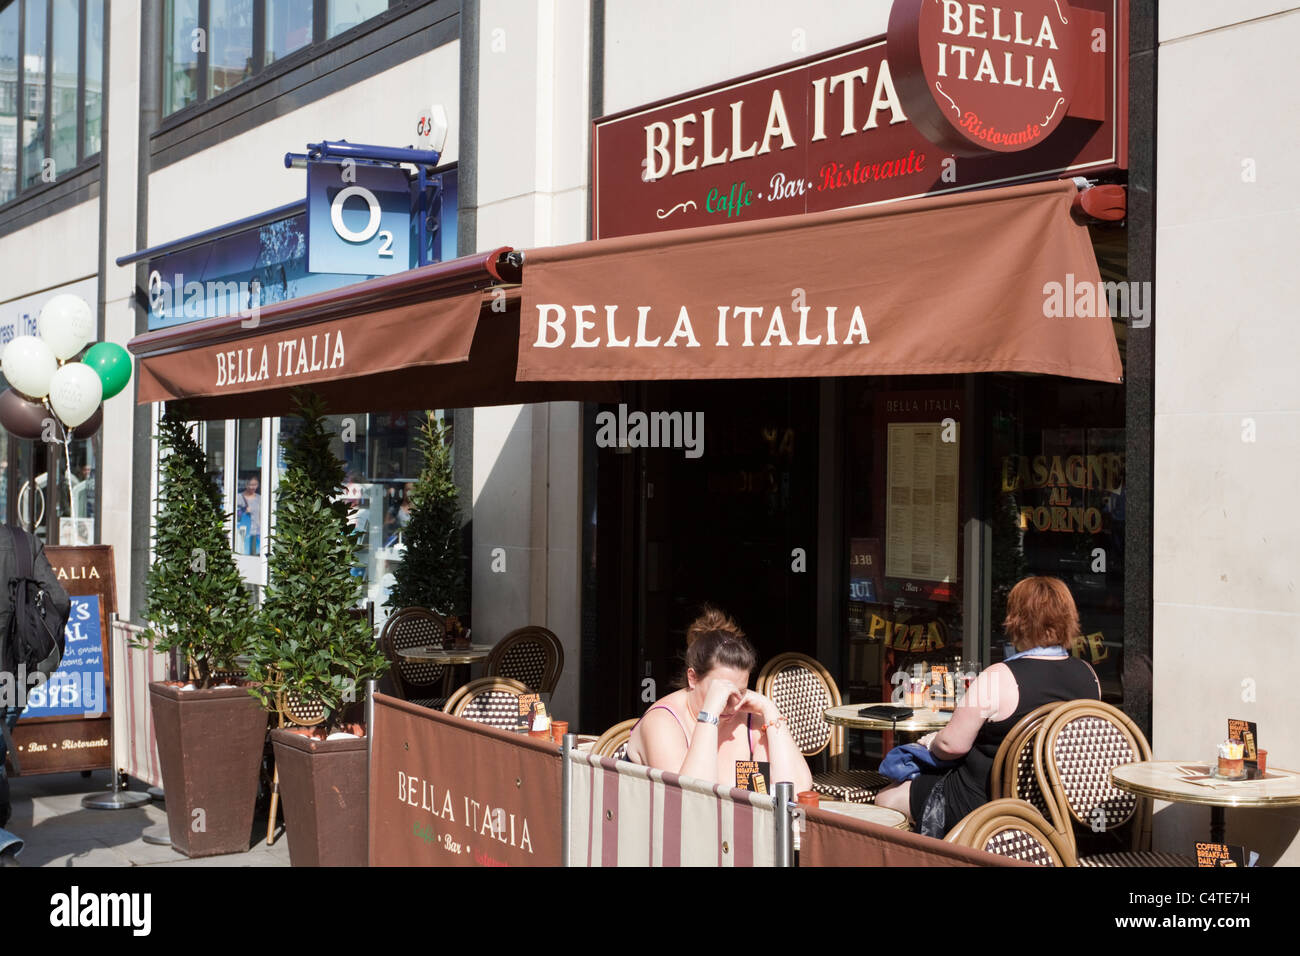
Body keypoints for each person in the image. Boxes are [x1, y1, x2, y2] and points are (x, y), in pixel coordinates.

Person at [875, 576, 1101, 836]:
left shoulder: (1000, 676)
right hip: (1055, 807)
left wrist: (929, 742)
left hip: (988, 802)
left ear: (1018, 620)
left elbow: (952, 745)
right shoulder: (1089, 675)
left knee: (886, 800)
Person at [626, 607, 812, 794]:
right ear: (692, 678)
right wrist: (710, 714)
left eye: (739, 692)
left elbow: (796, 790)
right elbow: (690, 802)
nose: (731, 705)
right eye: (721, 691)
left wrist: (769, 709)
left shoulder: (747, 720)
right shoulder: (663, 722)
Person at [235, 476, 261, 555]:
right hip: (243, 531)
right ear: (246, 485)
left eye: (255, 485)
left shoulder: (260, 498)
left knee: (255, 554)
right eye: (251, 485)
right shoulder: (238, 497)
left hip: (256, 532)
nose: (253, 487)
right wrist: (243, 511)